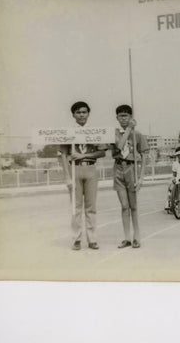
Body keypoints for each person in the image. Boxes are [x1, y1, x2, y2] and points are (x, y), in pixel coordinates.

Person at [59, 101, 106, 251]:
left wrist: (82, 155)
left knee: (91, 207)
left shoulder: (94, 132)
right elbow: (63, 156)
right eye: (78, 112)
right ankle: (76, 239)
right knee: (76, 207)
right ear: (73, 115)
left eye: (84, 112)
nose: (81, 115)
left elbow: (102, 152)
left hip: (90, 168)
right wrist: (67, 177)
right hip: (75, 170)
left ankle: (92, 239)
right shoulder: (68, 132)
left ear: (88, 114)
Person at [112, 104, 149, 249]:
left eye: (126, 115)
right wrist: (128, 129)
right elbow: (120, 147)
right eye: (121, 116)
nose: (123, 118)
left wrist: (141, 177)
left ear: (131, 117)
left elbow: (145, 155)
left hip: (132, 168)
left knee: (133, 206)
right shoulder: (114, 133)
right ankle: (126, 237)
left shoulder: (138, 135)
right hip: (118, 168)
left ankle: (136, 237)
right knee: (124, 206)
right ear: (117, 118)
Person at [165, 147, 180, 213]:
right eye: (178, 155)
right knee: (170, 184)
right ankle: (170, 201)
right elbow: (174, 175)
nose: (179, 156)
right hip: (178, 180)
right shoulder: (175, 164)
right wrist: (173, 179)